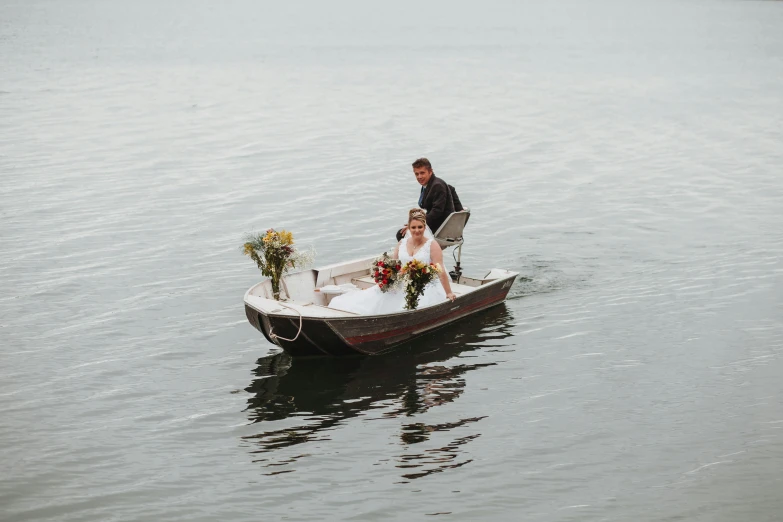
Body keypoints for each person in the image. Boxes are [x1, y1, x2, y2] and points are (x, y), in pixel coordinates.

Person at [331, 208, 458, 315]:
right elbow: (395, 266)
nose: (417, 230)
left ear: (425, 227)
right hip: (403, 281)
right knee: (377, 298)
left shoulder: (432, 245)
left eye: (420, 227)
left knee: (409, 304)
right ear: (408, 228)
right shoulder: (402, 243)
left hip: (425, 285)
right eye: (413, 227)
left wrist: (449, 292)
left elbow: (439, 269)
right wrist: (387, 276)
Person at [396, 158, 463, 242]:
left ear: (430, 171)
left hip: (441, 227)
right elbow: (451, 189)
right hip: (437, 222)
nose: (419, 177)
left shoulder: (437, 185)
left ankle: (412, 253)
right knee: (403, 231)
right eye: (416, 174)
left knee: (401, 234)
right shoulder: (433, 184)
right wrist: (460, 209)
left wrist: (418, 224)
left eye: (422, 173)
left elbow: (437, 211)